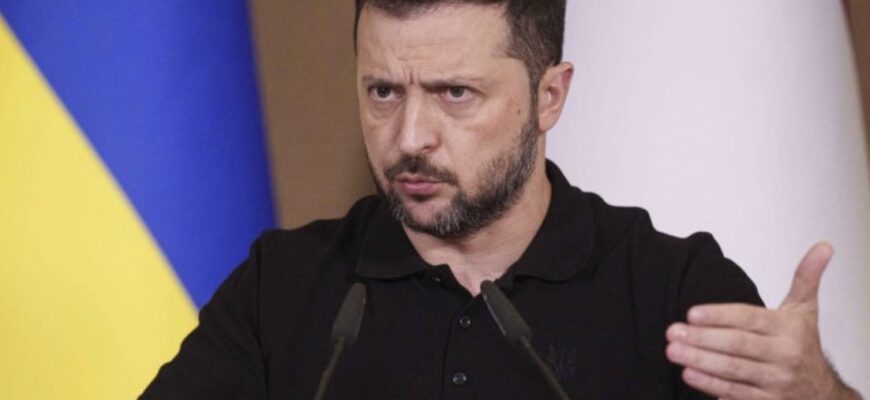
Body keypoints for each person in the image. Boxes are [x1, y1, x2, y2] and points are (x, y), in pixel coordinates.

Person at [142, 1, 863, 398]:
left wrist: (819, 395)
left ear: (550, 96)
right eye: (383, 92)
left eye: (455, 93)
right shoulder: (284, 285)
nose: (410, 137)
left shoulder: (671, 292)